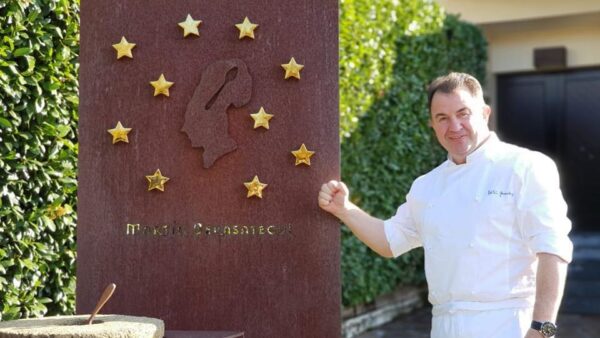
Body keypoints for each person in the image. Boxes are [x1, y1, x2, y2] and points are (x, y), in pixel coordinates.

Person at [319, 72, 572, 338]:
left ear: (485, 113)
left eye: (463, 113)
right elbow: (389, 241)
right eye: (443, 118)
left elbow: (552, 249)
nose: (454, 126)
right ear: (432, 124)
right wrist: (344, 209)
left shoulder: (526, 166)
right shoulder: (427, 186)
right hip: (444, 326)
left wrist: (542, 329)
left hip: (509, 324)